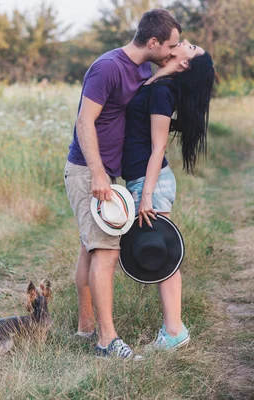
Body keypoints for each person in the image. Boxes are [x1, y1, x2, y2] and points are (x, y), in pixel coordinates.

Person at [64, 9, 182, 359]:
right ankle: (107, 341)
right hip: (88, 169)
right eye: (171, 46)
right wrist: (99, 174)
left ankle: (86, 328)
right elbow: (85, 121)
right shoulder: (108, 67)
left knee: (90, 246)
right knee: (106, 249)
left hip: (105, 171)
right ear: (153, 42)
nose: (173, 52)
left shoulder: (143, 69)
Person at [121, 39, 216, 350]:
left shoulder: (163, 91)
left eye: (192, 47)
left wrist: (146, 194)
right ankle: (174, 330)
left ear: (186, 63)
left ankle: (174, 332)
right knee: (161, 255)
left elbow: (158, 146)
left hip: (151, 182)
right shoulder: (155, 80)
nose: (187, 42)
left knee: (162, 256)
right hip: (143, 179)